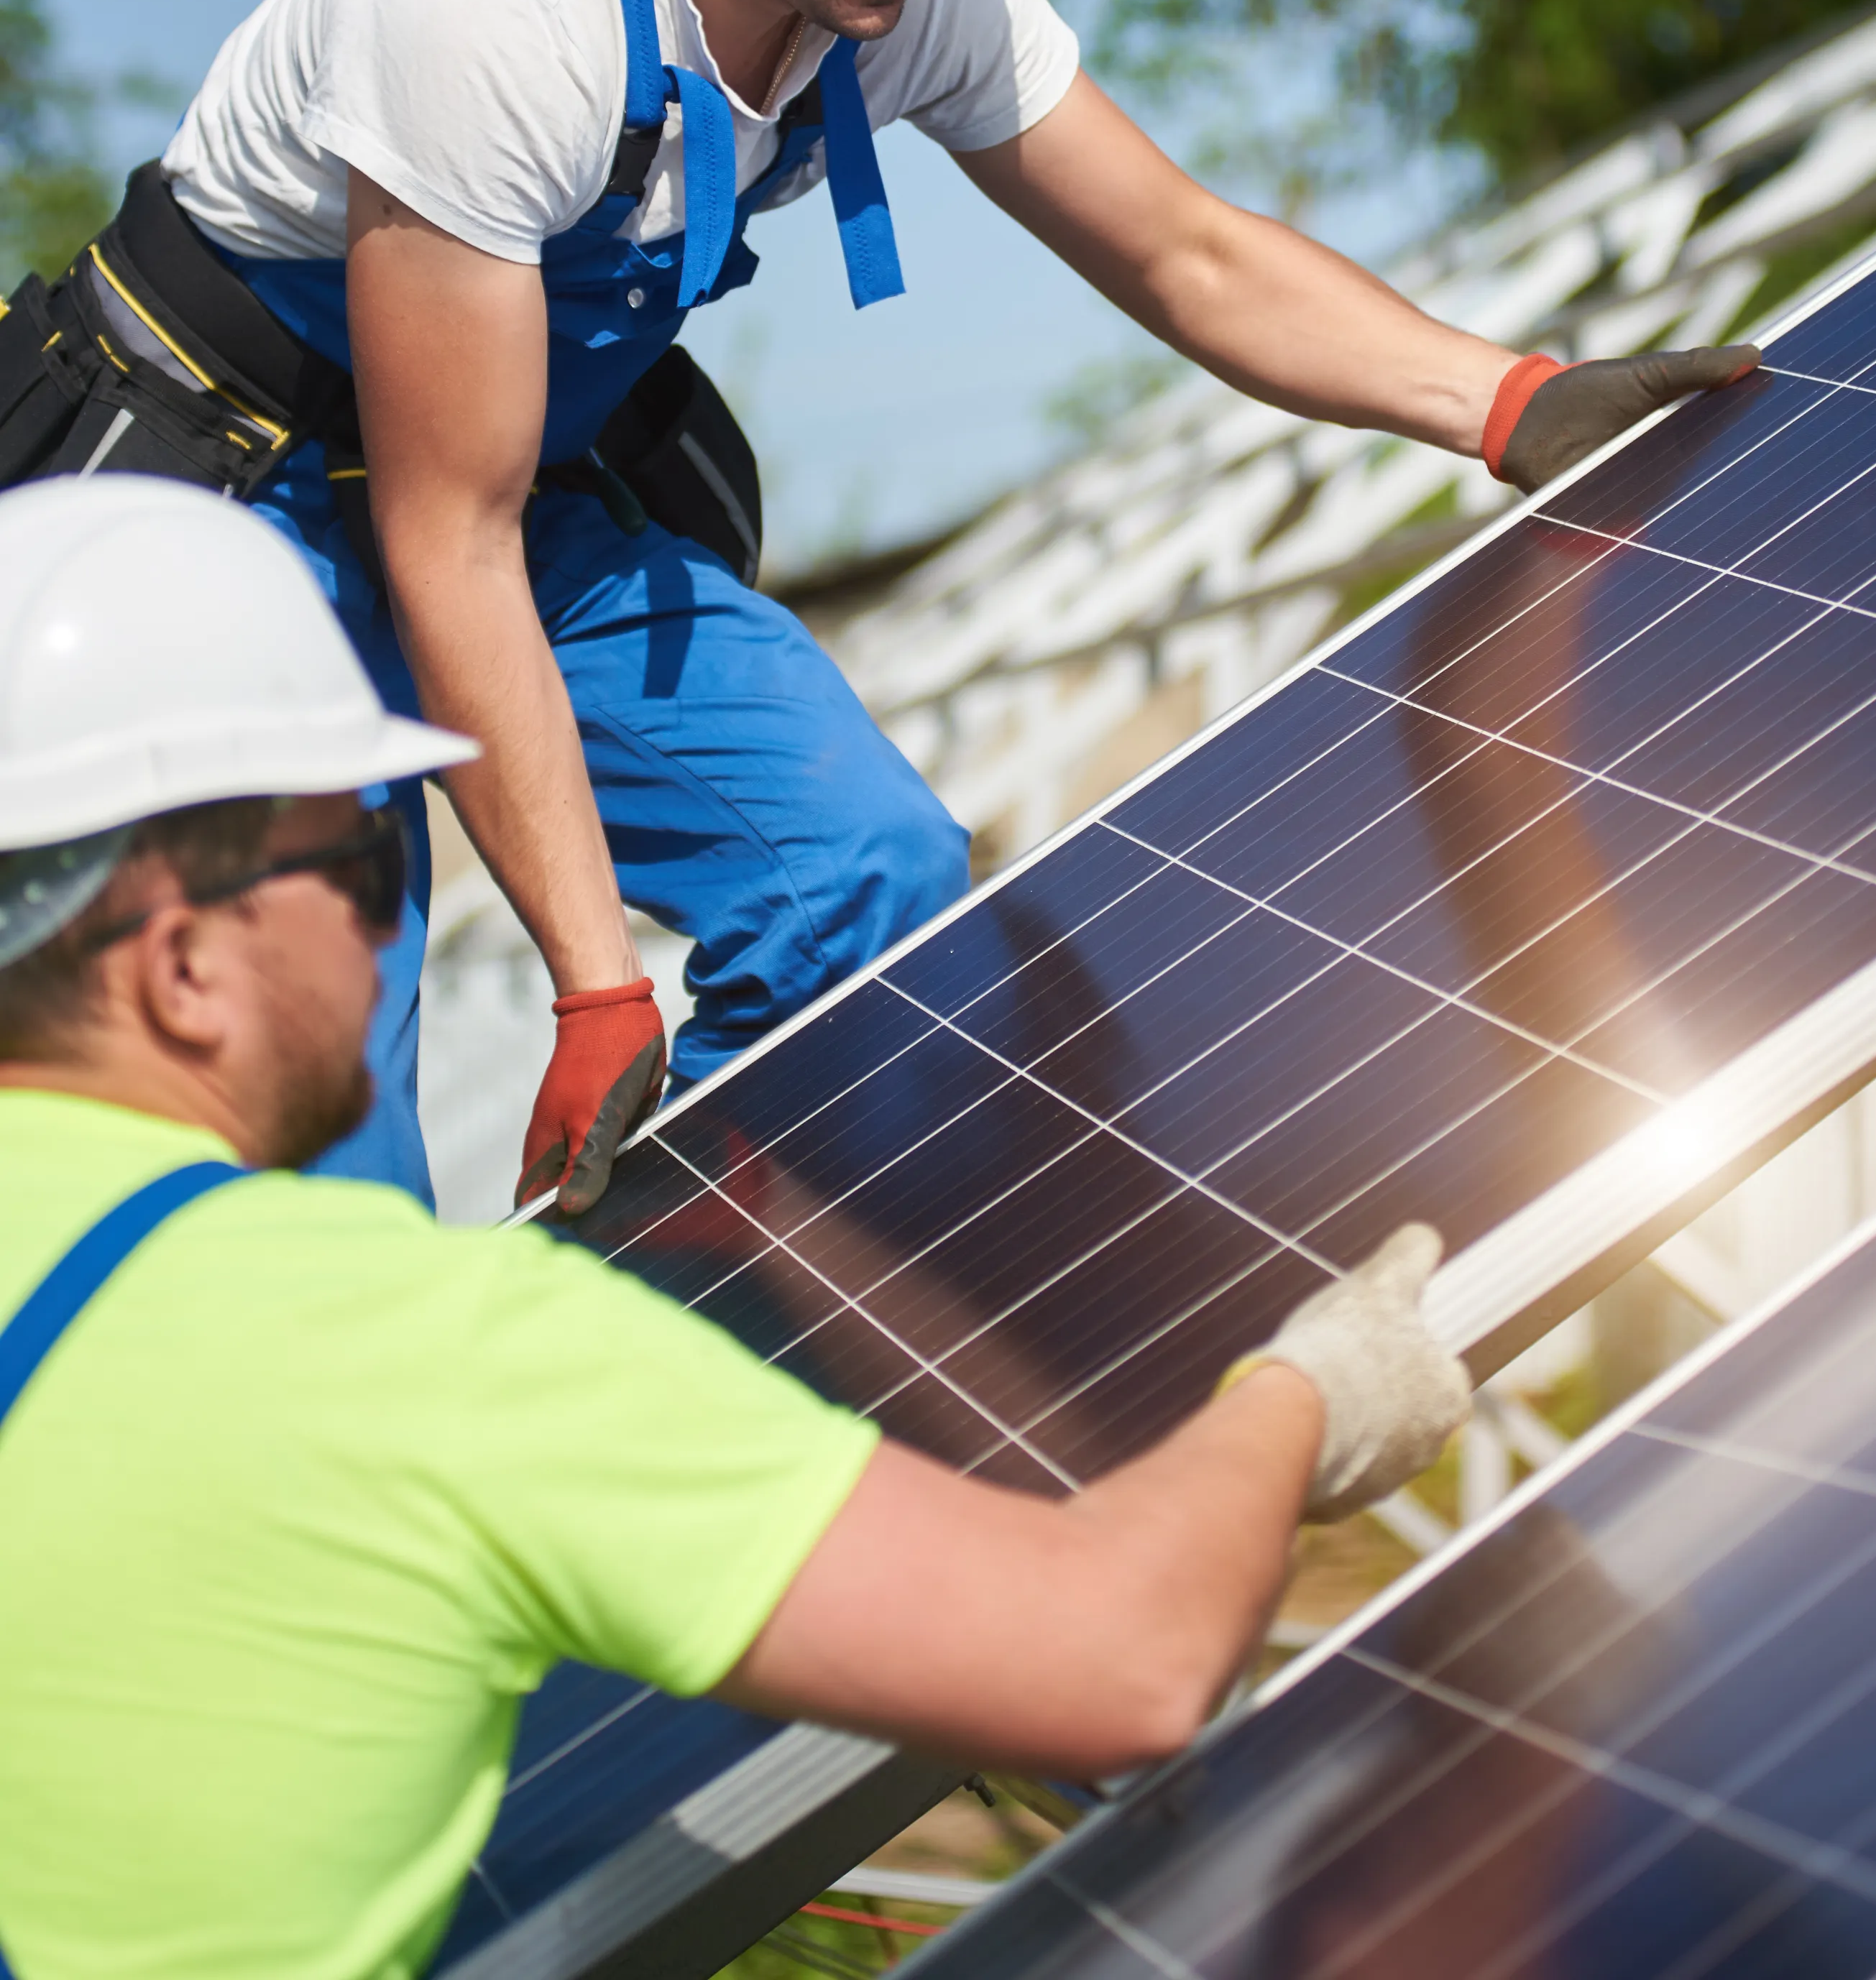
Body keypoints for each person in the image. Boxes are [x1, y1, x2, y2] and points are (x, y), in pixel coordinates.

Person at [0, 0, 1756, 1212]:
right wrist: (596, 981)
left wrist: (1509, 399)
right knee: (301, 1085)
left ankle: (688, 1339)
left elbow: (1187, 253)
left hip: (491, 492)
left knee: (864, 874)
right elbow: (437, 542)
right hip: (213, 513)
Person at [0, 476, 1471, 1980]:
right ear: (181, 964)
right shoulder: (407, 1344)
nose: (392, 926)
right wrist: (1302, 1389)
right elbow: (1124, 1657)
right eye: (363, 862)